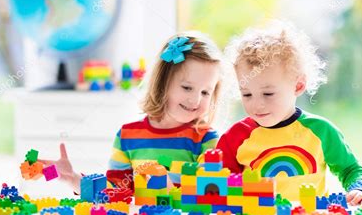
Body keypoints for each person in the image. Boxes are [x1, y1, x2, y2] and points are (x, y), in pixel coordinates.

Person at [40, 33, 224, 193]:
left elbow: (210, 191)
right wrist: (73, 180)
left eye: (205, 92)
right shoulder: (127, 137)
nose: (196, 100)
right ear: (163, 83)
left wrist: (172, 191)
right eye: (187, 87)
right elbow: (114, 192)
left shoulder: (206, 139)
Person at [217, 21, 362, 205]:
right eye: (247, 94)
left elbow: (351, 170)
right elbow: (218, 184)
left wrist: (359, 188)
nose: (256, 104)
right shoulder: (235, 137)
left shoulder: (321, 131)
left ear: (298, 85)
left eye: (268, 93)